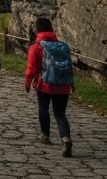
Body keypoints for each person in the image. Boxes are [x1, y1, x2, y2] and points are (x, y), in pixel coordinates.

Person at [25, 16, 75, 157]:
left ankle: (45, 135)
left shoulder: (36, 47)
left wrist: (28, 82)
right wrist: (71, 83)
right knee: (60, 114)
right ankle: (65, 138)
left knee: (43, 109)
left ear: (38, 30)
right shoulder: (63, 46)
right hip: (63, 85)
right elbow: (69, 66)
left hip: (44, 84)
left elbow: (32, 68)